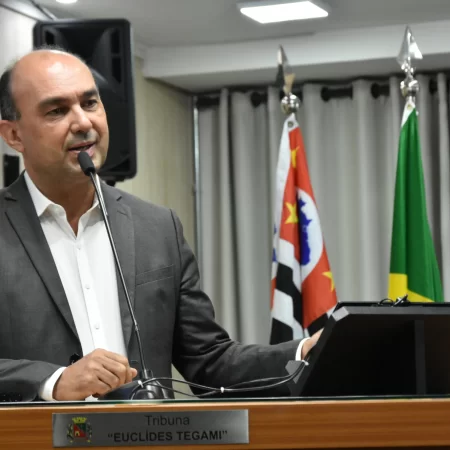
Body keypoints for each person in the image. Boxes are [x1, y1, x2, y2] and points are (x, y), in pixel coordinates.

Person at [0, 48, 320, 402]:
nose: (83, 123)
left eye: (90, 103)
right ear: (14, 135)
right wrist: (53, 381)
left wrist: (304, 351)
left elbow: (209, 361)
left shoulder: (157, 227)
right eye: (57, 111)